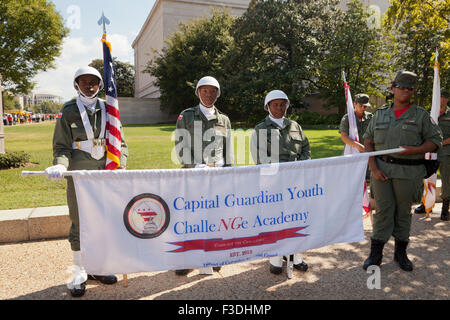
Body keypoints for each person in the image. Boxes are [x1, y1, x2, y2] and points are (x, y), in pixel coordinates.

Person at [44, 66, 128, 297]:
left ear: (100, 85)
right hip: (80, 174)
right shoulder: (69, 110)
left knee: (103, 220)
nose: (89, 85)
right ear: (76, 84)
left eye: (93, 82)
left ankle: (97, 267)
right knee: (80, 220)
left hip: (104, 174)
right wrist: (61, 164)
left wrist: (121, 163)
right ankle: (79, 270)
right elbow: (61, 145)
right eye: (84, 82)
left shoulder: (108, 108)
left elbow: (120, 141)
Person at [363, 71, 442, 272]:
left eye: (409, 88)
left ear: (413, 92)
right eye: (401, 87)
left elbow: (435, 141)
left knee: (403, 212)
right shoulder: (380, 114)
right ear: (393, 89)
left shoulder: (420, 115)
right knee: (382, 211)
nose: (405, 91)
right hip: (381, 171)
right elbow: (368, 139)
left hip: (408, 172)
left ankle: (400, 253)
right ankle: (375, 253)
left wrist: (415, 150)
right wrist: (373, 167)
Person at [174, 75, 234, 276]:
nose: (209, 95)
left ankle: (215, 254)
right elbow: (181, 146)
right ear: (198, 92)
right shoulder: (186, 116)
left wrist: (230, 172)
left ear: (218, 93)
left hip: (218, 176)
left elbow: (229, 149)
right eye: (205, 91)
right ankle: (188, 258)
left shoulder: (224, 119)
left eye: (213, 91)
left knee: (216, 215)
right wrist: (195, 166)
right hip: (194, 175)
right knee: (192, 216)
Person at [250, 89, 310, 275]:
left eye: (282, 104)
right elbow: (259, 157)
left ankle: (293, 253)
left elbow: (305, 149)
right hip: (272, 182)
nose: (279, 108)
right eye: (275, 104)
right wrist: (281, 171)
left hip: (294, 182)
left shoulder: (295, 126)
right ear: (268, 106)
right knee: (275, 218)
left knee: (294, 217)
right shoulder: (261, 129)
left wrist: (300, 166)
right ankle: (276, 254)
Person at [414, 89, 450, 221]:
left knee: (446, 180)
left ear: (447, 99)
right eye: (438, 97)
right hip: (430, 152)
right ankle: (426, 204)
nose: (440, 100)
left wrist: (439, 143)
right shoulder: (431, 113)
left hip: (445, 152)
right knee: (427, 178)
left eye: (443, 97)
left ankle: (445, 208)